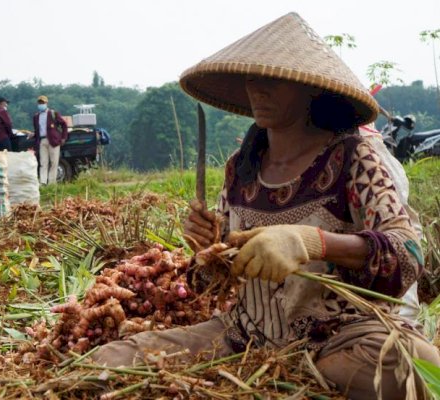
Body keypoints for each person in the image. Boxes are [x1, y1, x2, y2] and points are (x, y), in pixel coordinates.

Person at [90, 12, 440, 400]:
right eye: (252, 78)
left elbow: (408, 256)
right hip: (244, 334)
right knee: (111, 359)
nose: (258, 90)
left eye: (273, 79)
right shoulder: (242, 167)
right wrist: (207, 252)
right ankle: (295, 373)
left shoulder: (355, 158)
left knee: (410, 369)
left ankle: (309, 371)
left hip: (340, 336)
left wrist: (312, 242)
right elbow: (210, 283)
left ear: (309, 87)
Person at [31, 95, 68, 184]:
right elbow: (37, 130)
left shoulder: (53, 113)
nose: (41, 104)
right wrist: (33, 135)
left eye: (43, 103)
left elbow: (64, 124)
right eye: (39, 103)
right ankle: (43, 182)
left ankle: (51, 183)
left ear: (46, 103)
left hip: (53, 141)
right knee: (43, 163)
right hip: (42, 141)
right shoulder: (36, 117)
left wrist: (63, 137)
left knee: (54, 163)